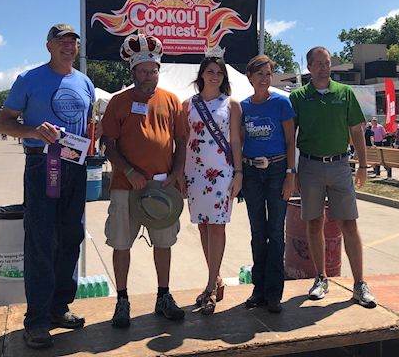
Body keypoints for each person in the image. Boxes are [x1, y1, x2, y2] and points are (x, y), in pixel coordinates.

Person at [0, 23, 95, 349]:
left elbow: (90, 124)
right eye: (62, 42)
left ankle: (58, 308)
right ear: (49, 46)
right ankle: (36, 320)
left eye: (73, 42)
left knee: (71, 238)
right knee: (41, 241)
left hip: (76, 167)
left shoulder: (85, 83)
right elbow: (4, 122)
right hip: (42, 165)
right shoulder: (30, 79)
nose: (68, 47)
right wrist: (34, 131)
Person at [101, 34, 187, 328]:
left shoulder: (171, 101)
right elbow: (108, 144)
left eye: (154, 70)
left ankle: (163, 296)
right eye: (143, 70)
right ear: (133, 71)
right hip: (126, 188)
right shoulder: (118, 102)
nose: (149, 75)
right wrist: (128, 172)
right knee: (121, 243)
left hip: (162, 188)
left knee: (164, 243)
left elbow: (182, 141)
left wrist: (176, 174)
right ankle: (122, 300)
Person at [289, 46, 376, 307]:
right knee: (314, 223)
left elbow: (357, 131)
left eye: (326, 63)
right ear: (309, 67)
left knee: (348, 224)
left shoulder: (345, 93)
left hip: (340, 166)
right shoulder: (299, 97)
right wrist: (291, 172)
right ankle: (320, 278)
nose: (323, 67)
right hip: (309, 166)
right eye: (317, 63)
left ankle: (360, 284)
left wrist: (362, 165)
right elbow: (289, 137)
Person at [183, 54, 243, 315]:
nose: (214, 76)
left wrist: (239, 173)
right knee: (203, 229)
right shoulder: (187, 105)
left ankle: (209, 287)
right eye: (210, 71)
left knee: (217, 227)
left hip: (221, 172)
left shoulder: (232, 105)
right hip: (194, 172)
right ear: (202, 74)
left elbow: (236, 142)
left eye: (219, 72)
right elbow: (183, 140)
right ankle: (215, 279)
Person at [240, 55, 296, 314]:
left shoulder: (282, 103)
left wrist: (290, 174)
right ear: (249, 77)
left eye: (268, 73)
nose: (264, 78)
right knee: (257, 233)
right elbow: (239, 142)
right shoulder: (244, 107)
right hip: (252, 173)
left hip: (276, 171)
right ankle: (258, 290)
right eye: (259, 73)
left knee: (275, 232)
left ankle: (274, 293)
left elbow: (290, 141)